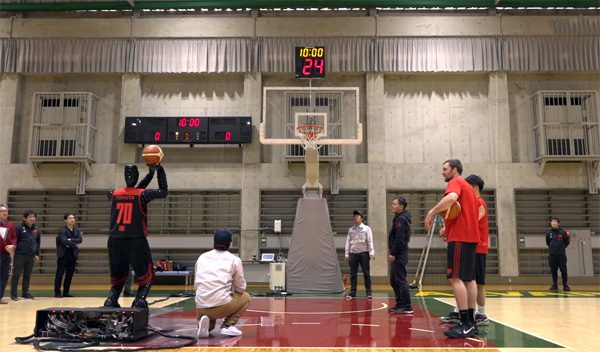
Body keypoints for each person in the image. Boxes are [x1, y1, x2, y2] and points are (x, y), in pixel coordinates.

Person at [424, 159, 479, 338]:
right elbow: (460, 213)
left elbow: (451, 199)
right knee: (469, 280)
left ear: (455, 170)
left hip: (460, 238)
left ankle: (464, 323)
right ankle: (471, 323)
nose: (443, 172)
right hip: (471, 238)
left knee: (455, 278)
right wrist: (447, 228)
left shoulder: (456, 182)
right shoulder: (469, 188)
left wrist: (432, 211)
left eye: (445, 169)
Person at [104, 163, 168, 309]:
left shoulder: (113, 194)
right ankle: (139, 300)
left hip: (114, 240)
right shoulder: (142, 195)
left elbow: (132, 191)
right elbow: (163, 191)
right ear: (137, 176)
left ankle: (111, 300)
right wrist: (159, 170)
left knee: (118, 276)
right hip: (135, 239)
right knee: (147, 275)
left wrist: (150, 175)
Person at [440, 174, 490, 326]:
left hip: (478, 247)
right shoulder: (472, 202)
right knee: (465, 279)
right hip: (472, 244)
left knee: (475, 282)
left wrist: (446, 227)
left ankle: (481, 314)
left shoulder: (479, 202)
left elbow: (473, 219)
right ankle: (460, 311)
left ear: (474, 187)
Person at [195, 229, 251, 338]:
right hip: (219, 306)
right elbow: (240, 288)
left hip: (201, 305)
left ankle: (204, 324)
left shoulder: (202, 257)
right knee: (246, 297)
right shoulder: (234, 260)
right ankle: (227, 326)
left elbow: (197, 284)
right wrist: (231, 292)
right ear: (229, 243)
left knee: (210, 324)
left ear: (214, 241)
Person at [388, 196, 412, 314]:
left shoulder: (402, 219)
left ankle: (406, 305)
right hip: (397, 253)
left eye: (394, 204)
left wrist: (393, 253)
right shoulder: (398, 218)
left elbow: (399, 238)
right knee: (394, 280)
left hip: (399, 254)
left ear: (401, 207)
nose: (392, 205)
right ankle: (400, 303)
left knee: (400, 280)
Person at [11, 210, 41, 301]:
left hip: (31, 256)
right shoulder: (19, 228)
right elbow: (15, 240)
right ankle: (14, 294)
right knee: (16, 275)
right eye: (30, 217)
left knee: (27, 275)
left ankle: (25, 293)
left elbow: (38, 243)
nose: (32, 218)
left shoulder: (36, 229)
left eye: (33, 217)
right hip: (20, 255)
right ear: (24, 218)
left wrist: (37, 254)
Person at [344, 210, 374, 299]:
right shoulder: (351, 229)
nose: (355, 217)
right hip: (353, 254)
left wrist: (371, 252)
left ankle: (369, 292)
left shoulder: (367, 229)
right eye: (354, 216)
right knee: (353, 274)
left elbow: (370, 241)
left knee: (366, 273)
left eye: (357, 216)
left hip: (364, 253)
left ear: (362, 218)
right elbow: (348, 242)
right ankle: (353, 292)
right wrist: (346, 254)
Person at [54, 212, 82, 298]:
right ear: (65, 220)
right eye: (70, 218)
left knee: (70, 274)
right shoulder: (62, 230)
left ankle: (66, 292)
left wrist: (70, 240)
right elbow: (64, 241)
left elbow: (80, 239)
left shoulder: (76, 230)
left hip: (72, 255)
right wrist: (74, 244)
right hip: (63, 255)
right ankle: (57, 292)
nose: (72, 220)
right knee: (60, 274)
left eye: (73, 218)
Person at [546, 217, 570, 291]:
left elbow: (567, 242)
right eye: (552, 221)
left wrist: (560, 248)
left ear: (558, 223)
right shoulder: (548, 233)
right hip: (552, 255)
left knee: (563, 270)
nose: (553, 223)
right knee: (553, 270)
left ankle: (565, 285)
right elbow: (548, 243)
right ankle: (555, 285)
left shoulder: (563, 232)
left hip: (561, 255)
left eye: (555, 221)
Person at [0, 204, 17, 304]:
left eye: (6, 211)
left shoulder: (11, 224)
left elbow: (14, 237)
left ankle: (0, 296)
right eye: (2, 211)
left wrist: (13, 246)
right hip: (3, 251)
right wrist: (7, 246)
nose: (4, 212)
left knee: (4, 276)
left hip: (6, 254)